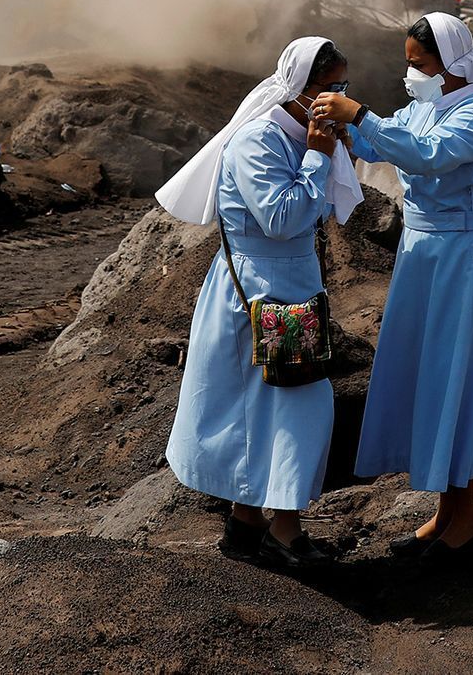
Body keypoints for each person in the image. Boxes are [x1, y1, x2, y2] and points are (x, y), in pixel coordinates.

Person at [311, 13, 473, 560]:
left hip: (466, 256)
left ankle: (468, 517)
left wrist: (360, 114)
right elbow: (383, 147)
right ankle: (446, 510)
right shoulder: (422, 107)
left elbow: (428, 157)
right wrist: (348, 129)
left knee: (456, 381)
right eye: (408, 63)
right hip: (423, 255)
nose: (409, 73)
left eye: (418, 64)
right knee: (427, 381)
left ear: (452, 63)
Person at [159, 37, 364, 571]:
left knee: (274, 404)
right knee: (294, 405)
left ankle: (247, 522)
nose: (339, 98)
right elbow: (284, 219)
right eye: (331, 87)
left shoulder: (300, 133)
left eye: (345, 86)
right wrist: (319, 156)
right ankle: (284, 531)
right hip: (261, 294)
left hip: (289, 289)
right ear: (300, 89)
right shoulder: (260, 141)